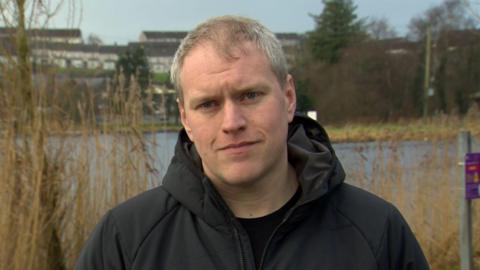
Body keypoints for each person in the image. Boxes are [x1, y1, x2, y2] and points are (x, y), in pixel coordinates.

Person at [75, 15, 429, 270]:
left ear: (288, 97)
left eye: (249, 96)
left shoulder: (376, 231)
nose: (232, 123)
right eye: (208, 104)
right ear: (185, 118)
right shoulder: (126, 240)